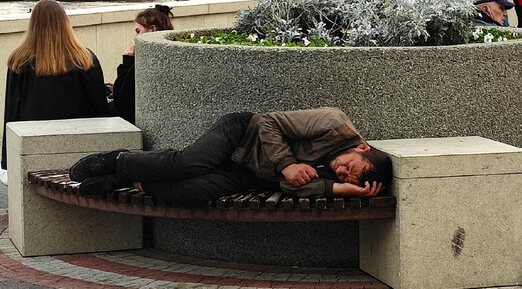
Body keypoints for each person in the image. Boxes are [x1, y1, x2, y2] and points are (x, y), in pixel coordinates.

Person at [69, 106, 393, 206]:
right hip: (242, 134)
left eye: (344, 178)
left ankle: (125, 180)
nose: (340, 171)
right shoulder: (334, 124)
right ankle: (118, 160)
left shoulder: (334, 178)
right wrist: (288, 163)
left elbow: (290, 188)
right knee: (186, 164)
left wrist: (337, 189)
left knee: (195, 191)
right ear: (362, 148)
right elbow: (270, 121)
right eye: (350, 168)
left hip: (252, 174)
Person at [2, 0, 109, 171]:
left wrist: (8, 160)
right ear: (65, 22)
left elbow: (12, 112)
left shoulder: (19, 61)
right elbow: (100, 109)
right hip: (78, 147)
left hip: (33, 147)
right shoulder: (85, 60)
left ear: (33, 24)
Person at [111, 5, 174, 125]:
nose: (136, 38)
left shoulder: (146, 62)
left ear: (152, 30)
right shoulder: (169, 56)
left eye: (138, 31)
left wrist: (127, 62)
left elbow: (123, 102)